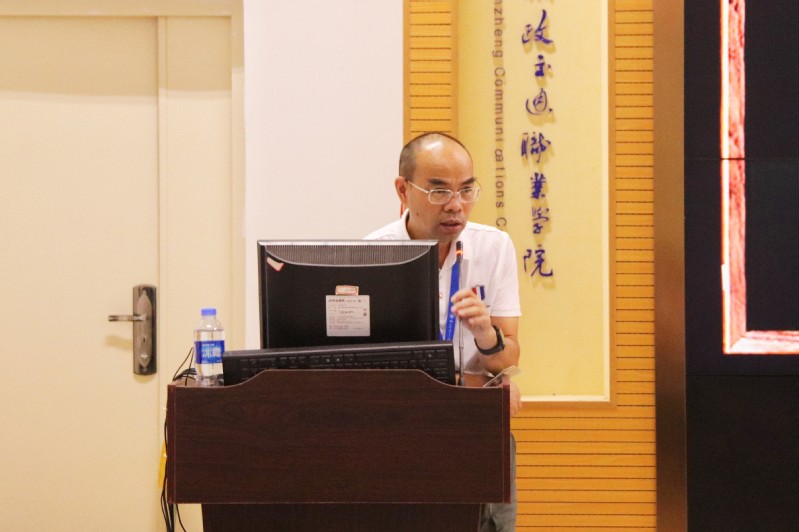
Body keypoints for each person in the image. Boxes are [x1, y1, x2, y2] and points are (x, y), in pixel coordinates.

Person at [365, 132, 522, 531]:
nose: (456, 205)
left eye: (466, 190)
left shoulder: (494, 248)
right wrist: (474, 379)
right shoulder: (372, 253)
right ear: (403, 191)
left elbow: (508, 358)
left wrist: (486, 334)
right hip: (398, 432)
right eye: (438, 192)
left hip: (473, 426)